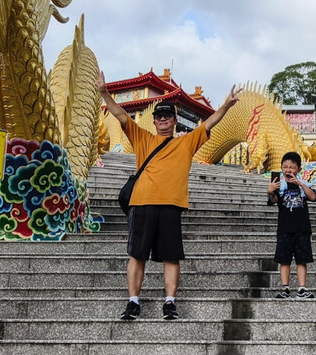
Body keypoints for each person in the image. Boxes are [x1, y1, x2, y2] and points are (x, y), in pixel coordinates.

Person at [97, 70, 241, 321]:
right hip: (141, 203)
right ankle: (133, 302)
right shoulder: (143, 137)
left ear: (174, 121)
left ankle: (170, 302)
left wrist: (226, 105)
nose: (163, 119)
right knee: (137, 254)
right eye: (159, 116)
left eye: (167, 116)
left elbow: (209, 123)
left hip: (171, 205)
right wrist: (104, 94)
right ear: (154, 122)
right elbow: (120, 115)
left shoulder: (186, 142)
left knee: (171, 256)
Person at [267, 150, 316, 299]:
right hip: (285, 229)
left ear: (299, 169)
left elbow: (313, 197)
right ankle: (285, 289)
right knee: (284, 260)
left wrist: (300, 184)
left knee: (302, 260)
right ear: (281, 168)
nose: (288, 170)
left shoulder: (304, 185)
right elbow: (274, 201)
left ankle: (302, 288)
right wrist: (270, 192)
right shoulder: (279, 186)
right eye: (285, 167)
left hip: (302, 229)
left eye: (292, 167)